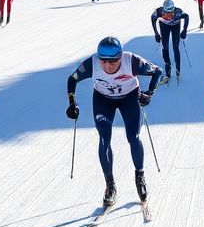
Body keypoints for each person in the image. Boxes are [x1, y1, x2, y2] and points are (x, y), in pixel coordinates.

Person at [66, 37, 162, 208]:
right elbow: (72, 79)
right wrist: (72, 104)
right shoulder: (91, 64)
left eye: (113, 61)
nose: (108, 65)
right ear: (98, 58)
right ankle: (110, 185)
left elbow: (158, 72)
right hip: (103, 100)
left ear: (121, 56)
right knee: (104, 140)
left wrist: (150, 93)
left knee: (133, 137)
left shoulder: (131, 61)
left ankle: (139, 176)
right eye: (104, 61)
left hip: (129, 98)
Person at [151, 0, 189, 83]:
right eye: (166, 13)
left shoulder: (178, 12)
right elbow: (153, 19)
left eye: (171, 13)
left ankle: (178, 69)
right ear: (163, 10)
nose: (168, 15)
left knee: (176, 47)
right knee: (165, 47)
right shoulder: (159, 12)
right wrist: (156, 34)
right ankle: (168, 71)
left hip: (176, 25)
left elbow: (186, 16)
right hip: (164, 26)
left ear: (173, 10)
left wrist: (184, 30)